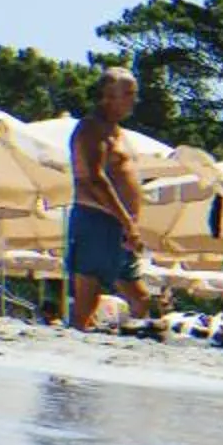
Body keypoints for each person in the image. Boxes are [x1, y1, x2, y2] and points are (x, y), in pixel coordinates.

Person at [67, 67, 152, 333]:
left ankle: (129, 343)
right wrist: (127, 221)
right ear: (107, 96)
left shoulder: (117, 131)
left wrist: (129, 223)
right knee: (87, 300)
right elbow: (93, 178)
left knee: (140, 299)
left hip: (117, 226)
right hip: (98, 219)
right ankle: (76, 341)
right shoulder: (92, 129)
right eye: (128, 94)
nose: (134, 100)